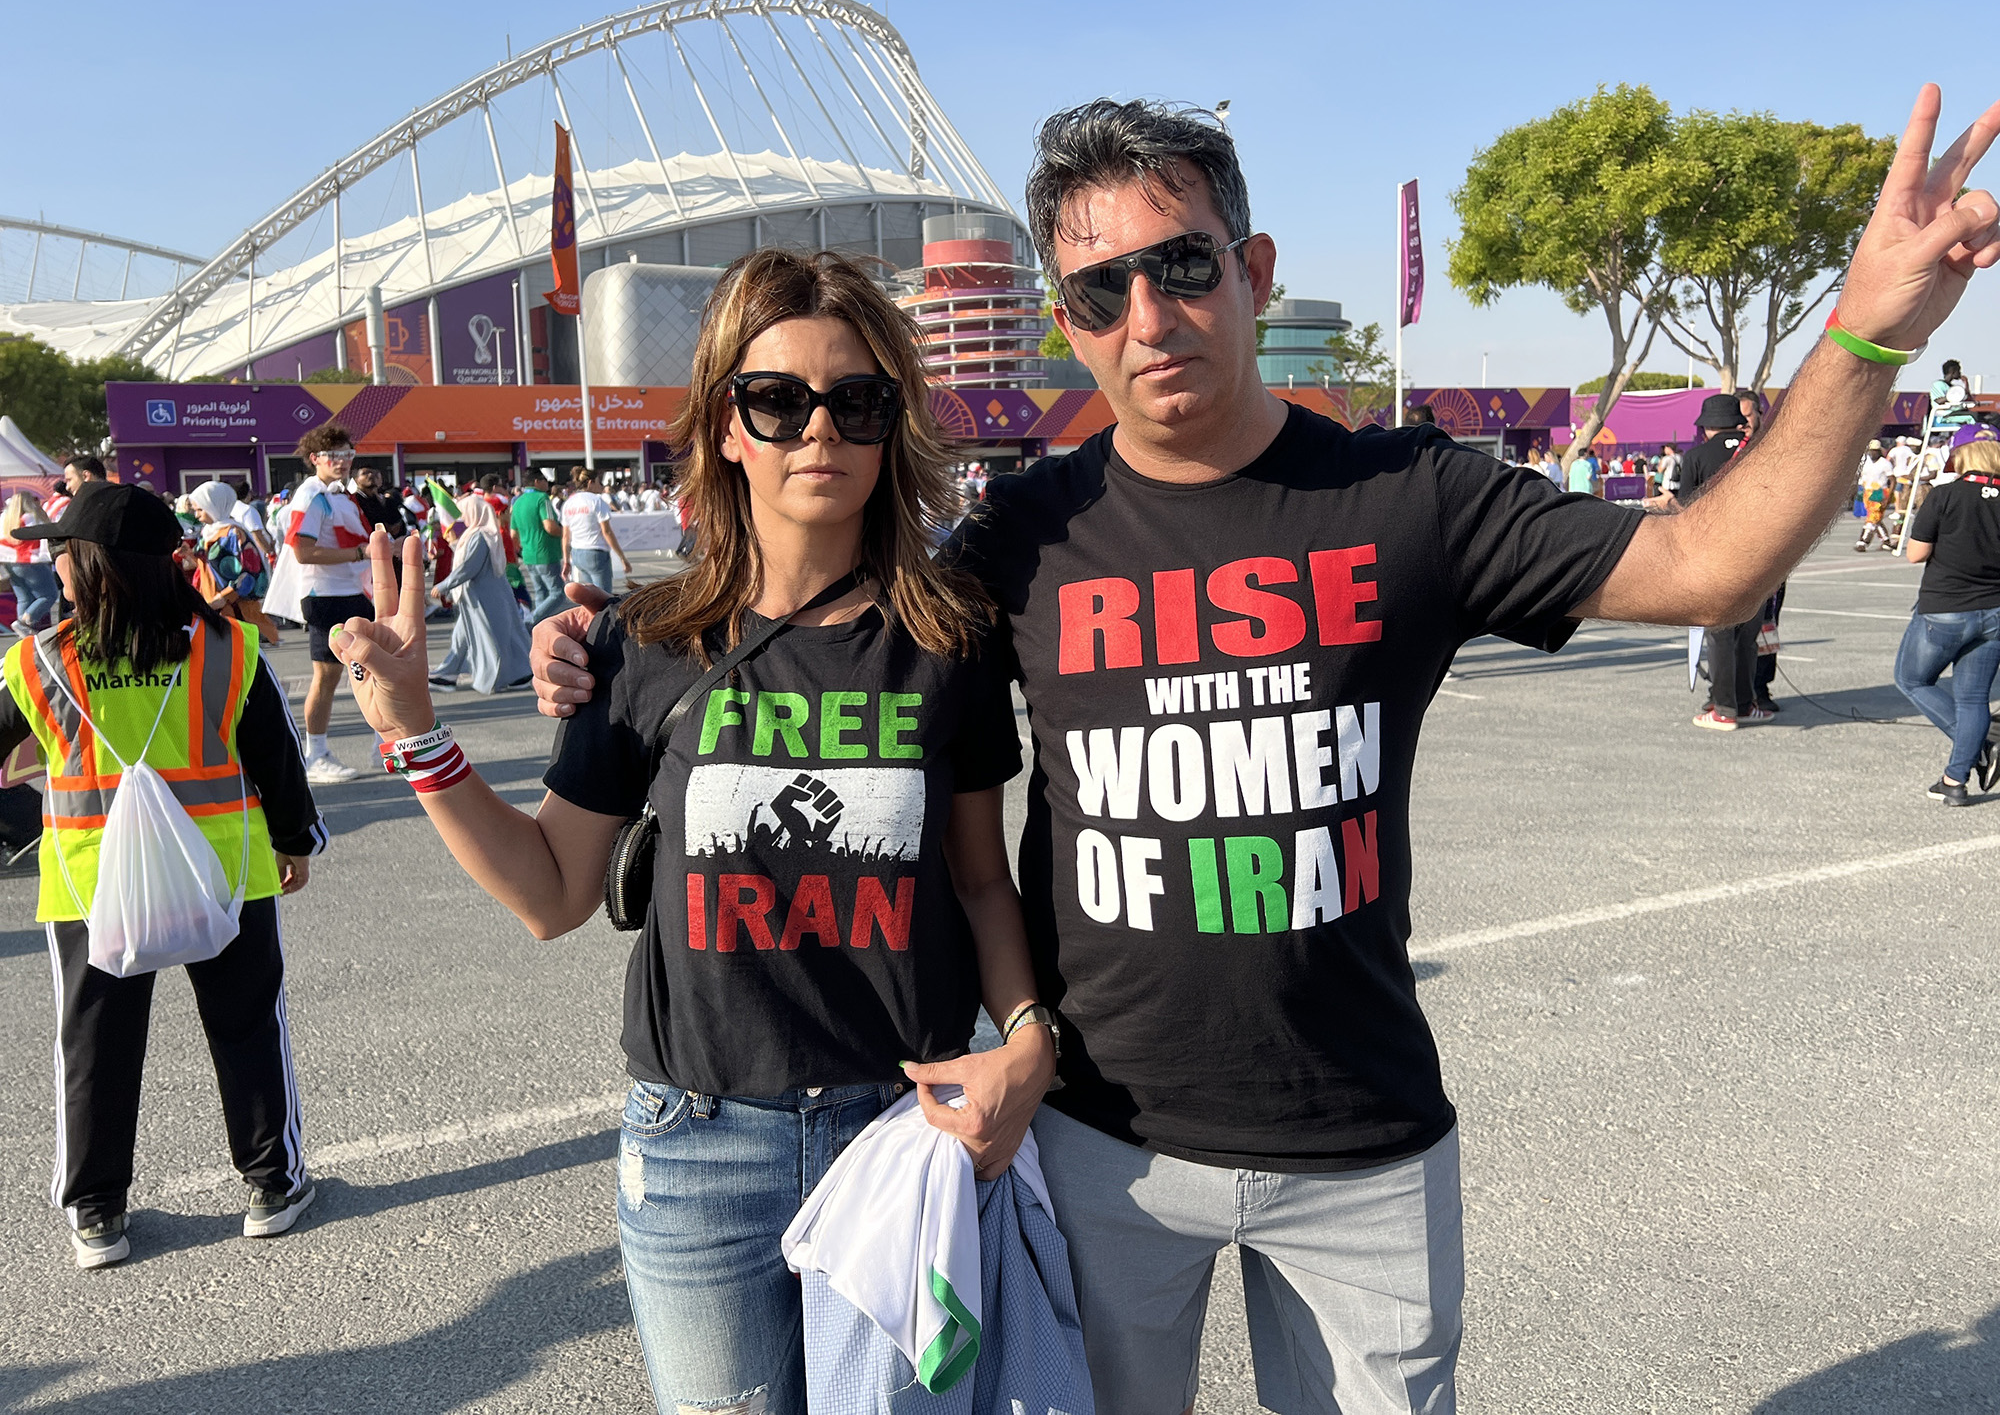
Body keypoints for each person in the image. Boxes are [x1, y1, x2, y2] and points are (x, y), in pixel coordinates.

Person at [532, 88, 2000, 1414]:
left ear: (1256, 271)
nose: (1150, 315)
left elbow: (1705, 569)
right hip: (1101, 1145)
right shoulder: (1020, 542)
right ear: (1069, 317)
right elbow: (821, 605)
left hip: (1359, 1140)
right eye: (1101, 289)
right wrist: (609, 640)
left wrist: (1866, 329)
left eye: (1182, 264)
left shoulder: (1406, 495)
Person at [332, 246, 1056, 1412]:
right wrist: (417, 737)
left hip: (903, 1134)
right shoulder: (646, 638)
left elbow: (979, 884)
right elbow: (551, 893)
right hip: (698, 1149)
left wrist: (1027, 1037)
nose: (817, 430)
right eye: (777, 400)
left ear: (890, 428)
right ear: (727, 425)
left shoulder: (946, 637)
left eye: (855, 400)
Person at [0, 480, 326, 1268]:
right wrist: (296, 841)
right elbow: (274, 757)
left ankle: (98, 1212)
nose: (53, 567)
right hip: (226, 870)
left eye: (62, 553)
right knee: (248, 1026)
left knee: (95, 1041)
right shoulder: (228, 647)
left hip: (87, 884)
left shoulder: (38, 660)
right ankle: (271, 1184)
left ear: (95, 566)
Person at [1896, 424, 2000, 806]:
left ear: (1960, 454)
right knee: (1973, 698)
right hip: (1995, 610)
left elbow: (1915, 554)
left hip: (1946, 607)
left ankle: (1980, 745)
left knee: (1912, 680)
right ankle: (1953, 781)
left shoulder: (1945, 495)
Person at [282, 422, 373, 784]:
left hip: (351, 592)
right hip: (325, 595)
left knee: (368, 668)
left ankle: (383, 745)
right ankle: (315, 754)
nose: (343, 461)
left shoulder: (337, 493)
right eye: (333, 455)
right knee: (328, 677)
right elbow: (302, 552)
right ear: (314, 459)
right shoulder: (311, 495)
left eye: (348, 454)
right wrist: (359, 552)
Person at [1680, 394, 1766, 729]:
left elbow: (1688, 511)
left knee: (1719, 634)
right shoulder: (1758, 453)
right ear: (1737, 422)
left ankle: (1724, 709)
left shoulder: (1697, 456)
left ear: (1706, 427)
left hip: (1717, 555)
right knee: (1747, 635)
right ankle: (1745, 704)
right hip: (1759, 555)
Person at [427, 491, 532, 694]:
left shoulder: (480, 536)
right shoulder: (480, 533)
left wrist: (444, 585)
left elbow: (469, 567)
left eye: (464, 512)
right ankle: (448, 673)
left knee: (492, 638)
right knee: (469, 635)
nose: (461, 517)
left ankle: (500, 676)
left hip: (483, 598)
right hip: (482, 597)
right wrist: (453, 543)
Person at [187, 480, 276, 644]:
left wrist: (225, 596)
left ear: (214, 506)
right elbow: (203, 565)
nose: (197, 515)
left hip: (235, 608)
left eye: (200, 509)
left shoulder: (234, 533)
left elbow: (250, 571)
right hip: (210, 603)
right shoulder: (207, 532)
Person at [560, 467, 630, 596]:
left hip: (577, 553)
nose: (601, 485)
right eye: (599, 482)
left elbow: (565, 536)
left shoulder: (569, 503)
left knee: (591, 596)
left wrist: (566, 561)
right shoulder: (597, 501)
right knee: (604, 597)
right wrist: (622, 557)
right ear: (590, 482)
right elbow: (607, 532)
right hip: (596, 552)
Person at [510, 469, 567, 624]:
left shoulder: (518, 501)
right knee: (557, 593)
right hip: (546, 553)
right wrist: (567, 533)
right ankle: (532, 622)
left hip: (528, 554)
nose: (547, 484)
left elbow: (513, 534)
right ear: (537, 481)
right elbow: (550, 527)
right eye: (544, 480)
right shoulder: (542, 498)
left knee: (540, 592)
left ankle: (540, 626)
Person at [2, 491, 61, 638]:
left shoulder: (5, 518)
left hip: (10, 563)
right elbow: (47, 533)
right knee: (49, 594)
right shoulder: (32, 517)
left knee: (24, 598)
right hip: (32, 562)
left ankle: (23, 631)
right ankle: (25, 622)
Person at [1857, 439, 1896, 549]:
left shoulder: (1885, 463)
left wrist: (1888, 496)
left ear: (1879, 451)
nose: (1872, 453)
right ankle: (1886, 540)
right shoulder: (1865, 462)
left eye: (1875, 451)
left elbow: (1892, 480)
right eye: (1870, 451)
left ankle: (1863, 541)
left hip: (1879, 492)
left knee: (1872, 517)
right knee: (1875, 518)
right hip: (1867, 491)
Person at [230, 480, 277, 563]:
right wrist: (270, 552)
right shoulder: (248, 510)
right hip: (256, 556)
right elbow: (257, 535)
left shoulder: (230, 510)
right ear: (248, 495)